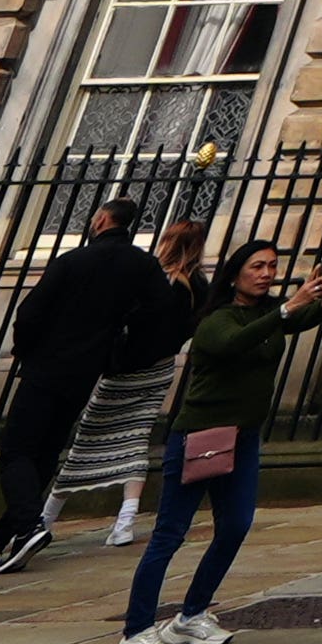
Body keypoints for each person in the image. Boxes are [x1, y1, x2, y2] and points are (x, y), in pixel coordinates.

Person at [112, 238, 322, 644]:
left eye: (273, 266)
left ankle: (191, 615)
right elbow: (234, 342)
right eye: (257, 266)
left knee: (235, 526)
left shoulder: (265, 314)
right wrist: (288, 308)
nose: (266, 274)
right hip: (200, 437)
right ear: (235, 273)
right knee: (170, 534)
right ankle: (134, 632)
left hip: (243, 437)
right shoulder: (216, 320)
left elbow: (292, 321)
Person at [0, 199, 161, 572]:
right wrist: (121, 354)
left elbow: (29, 313)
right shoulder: (143, 265)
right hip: (87, 371)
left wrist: (27, 349)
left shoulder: (73, 261)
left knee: (17, 451)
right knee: (45, 453)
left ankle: (29, 526)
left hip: (46, 365)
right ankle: (0, 537)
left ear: (102, 220)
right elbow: (161, 314)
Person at [63, 216, 210, 550]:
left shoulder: (153, 278)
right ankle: (125, 521)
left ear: (167, 241)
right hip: (160, 367)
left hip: (127, 366)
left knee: (88, 434)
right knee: (137, 438)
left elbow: (124, 317)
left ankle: (46, 514)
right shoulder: (199, 285)